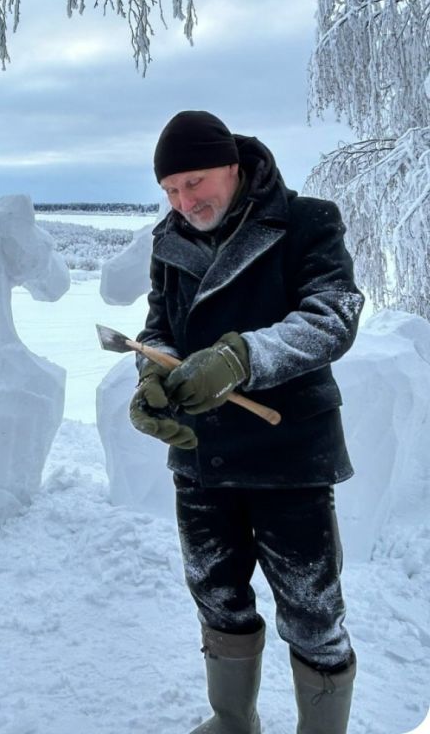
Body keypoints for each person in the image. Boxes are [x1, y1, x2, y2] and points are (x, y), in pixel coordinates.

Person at [129, 110, 363, 734]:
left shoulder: (306, 222)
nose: (184, 200)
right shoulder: (168, 242)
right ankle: (234, 722)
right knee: (217, 596)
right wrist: (154, 377)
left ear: (234, 166)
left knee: (313, 612)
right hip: (203, 459)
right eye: (171, 189)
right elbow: (160, 331)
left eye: (195, 181)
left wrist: (241, 357)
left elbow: (331, 317)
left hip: (291, 455)